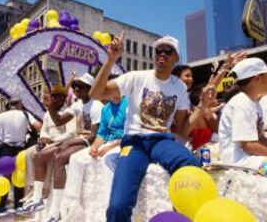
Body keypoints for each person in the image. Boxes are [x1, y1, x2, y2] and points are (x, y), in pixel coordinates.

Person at [89, 33, 217, 222]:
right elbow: (96, 93)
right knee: (118, 205)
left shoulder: (179, 88)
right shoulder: (136, 77)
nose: (162, 54)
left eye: (168, 50)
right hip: (135, 143)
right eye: (159, 50)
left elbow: (182, 129)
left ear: (176, 58)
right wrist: (111, 60)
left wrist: (201, 107)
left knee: (193, 165)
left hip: (161, 141)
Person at [17, 73, 103, 222]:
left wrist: (71, 142)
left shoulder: (97, 105)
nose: (75, 88)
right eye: (75, 85)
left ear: (90, 88)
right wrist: (49, 107)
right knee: (39, 156)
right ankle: (37, 198)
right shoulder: (77, 104)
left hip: (89, 140)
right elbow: (59, 121)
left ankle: (55, 211)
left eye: (80, 86)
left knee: (60, 158)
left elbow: (94, 135)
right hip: (78, 139)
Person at [63, 82, 128, 216]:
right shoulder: (106, 109)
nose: (108, 91)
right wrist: (94, 147)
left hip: (124, 143)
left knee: (106, 159)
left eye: (111, 88)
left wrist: (107, 148)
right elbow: (102, 134)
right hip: (108, 143)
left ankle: (109, 207)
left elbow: (131, 133)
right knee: (75, 158)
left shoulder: (129, 105)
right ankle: (72, 204)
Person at [0, 96, 42, 220]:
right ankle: (18, 208)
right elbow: (38, 126)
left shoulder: (1, 115)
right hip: (21, 151)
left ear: (9, 104)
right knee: (19, 180)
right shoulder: (25, 114)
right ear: (20, 104)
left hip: (5, 150)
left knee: (3, 180)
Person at [21, 84, 76, 203]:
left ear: (63, 98)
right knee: (28, 153)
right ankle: (32, 187)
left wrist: (54, 141)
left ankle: (44, 190)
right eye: (53, 97)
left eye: (57, 97)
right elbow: (44, 131)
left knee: (46, 154)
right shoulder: (47, 114)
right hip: (48, 143)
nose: (54, 99)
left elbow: (71, 133)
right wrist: (43, 138)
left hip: (62, 144)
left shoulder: (68, 112)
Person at [219, 57, 267, 171]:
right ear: (257, 78)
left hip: (251, 159)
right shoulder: (242, 103)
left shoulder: (254, 103)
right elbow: (248, 145)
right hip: (240, 163)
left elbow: (259, 139)